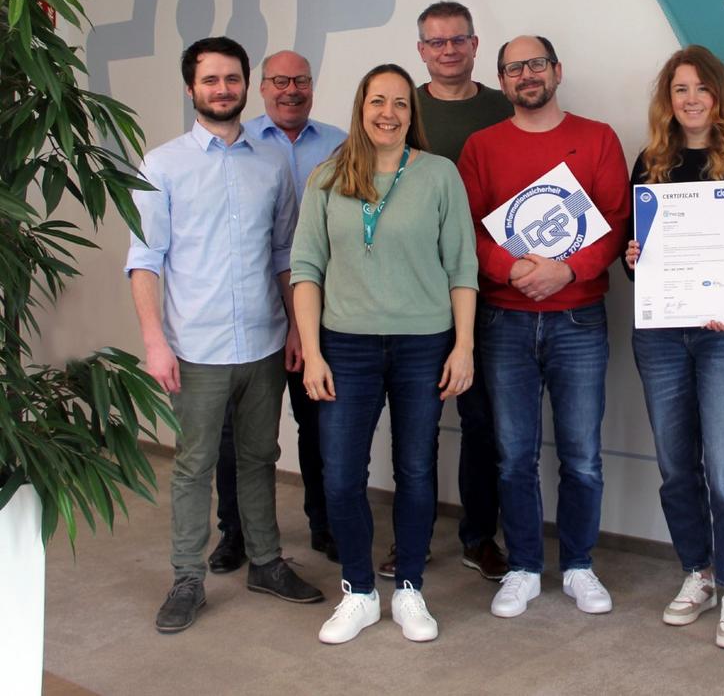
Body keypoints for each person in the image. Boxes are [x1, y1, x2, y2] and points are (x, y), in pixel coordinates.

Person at [126, 36, 324, 634]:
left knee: (260, 457)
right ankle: (187, 578)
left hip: (264, 341)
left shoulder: (271, 164)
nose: (222, 89)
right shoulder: (162, 164)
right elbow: (145, 258)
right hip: (196, 348)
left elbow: (284, 252)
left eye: (232, 78)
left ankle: (265, 562)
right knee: (193, 465)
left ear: (246, 85)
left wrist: (297, 328)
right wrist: (155, 342)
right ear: (191, 87)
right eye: (210, 80)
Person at [291, 64, 478, 644]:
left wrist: (464, 345)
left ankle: (410, 588)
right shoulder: (327, 177)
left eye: (400, 102)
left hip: (424, 344)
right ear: (361, 107)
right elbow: (306, 269)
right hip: (345, 346)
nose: (388, 113)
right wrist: (313, 352)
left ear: (411, 113)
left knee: (416, 469)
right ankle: (359, 592)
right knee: (342, 474)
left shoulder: (439, 175)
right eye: (378, 101)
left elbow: (462, 267)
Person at [459, 35, 629, 619]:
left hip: (578, 319)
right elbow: (467, 230)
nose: (527, 75)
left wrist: (567, 271)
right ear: (501, 81)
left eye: (536, 64)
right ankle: (525, 567)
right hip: (503, 320)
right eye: (514, 68)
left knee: (582, 456)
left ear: (557, 70)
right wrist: (509, 269)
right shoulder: (482, 147)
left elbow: (615, 221)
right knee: (513, 456)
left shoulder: (598, 138)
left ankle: (579, 565)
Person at [624, 45, 724, 649]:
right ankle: (700, 572)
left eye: (701, 88)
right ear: (668, 100)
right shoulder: (651, 163)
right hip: (661, 334)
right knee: (675, 466)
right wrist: (633, 257)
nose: (691, 100)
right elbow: (636, 254)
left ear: (719, 97)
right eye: (680, 89)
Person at [376, 0, 513, 582]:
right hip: (414, 291)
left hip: (488, 288)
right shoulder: (400, 110)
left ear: (475, 45)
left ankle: (479, 537)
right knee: (417, 427)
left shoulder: (504, 107)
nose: (448, 50)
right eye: (436, 42)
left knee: (483, 422)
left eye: (458, 40)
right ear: (421, 51)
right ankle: (411, 540)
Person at [207, 50, 347, 573]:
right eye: (280, 81)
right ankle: (236, 532)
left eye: (301, 81)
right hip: (252, 315)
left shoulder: (341, 146)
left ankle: (326, 524)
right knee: (239, 435)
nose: (292, 90)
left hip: (324, 314)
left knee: (321, 428)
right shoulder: (237, 144)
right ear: (261, 87)